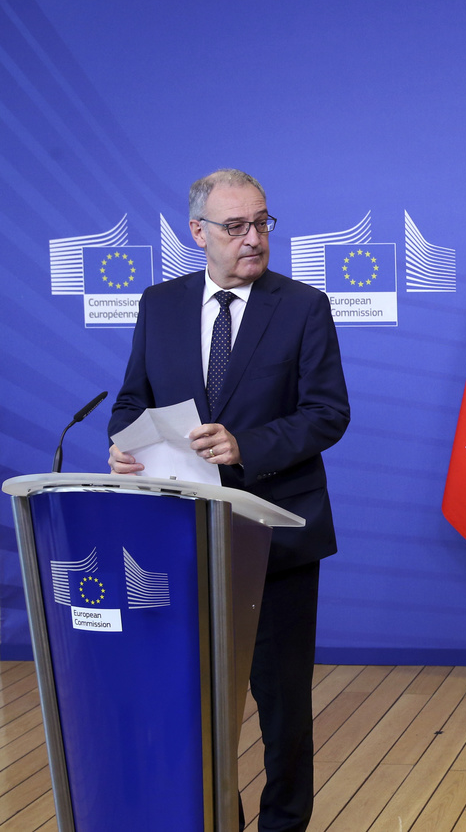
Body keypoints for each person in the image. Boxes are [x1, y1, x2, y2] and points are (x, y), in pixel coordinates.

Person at [108, 169, 350, 832]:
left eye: (262, 223)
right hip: (181, 540)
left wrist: (246, 445)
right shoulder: (160, 304)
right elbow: (132, 400)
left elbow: (328, 413)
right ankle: (219, 819)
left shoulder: (303, 306)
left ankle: (283, 823)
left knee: (282, 706)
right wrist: (123, 444)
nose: (254, 238)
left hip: (277, 537)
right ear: (198, 232)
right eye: (236, 226)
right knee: (192, 700)